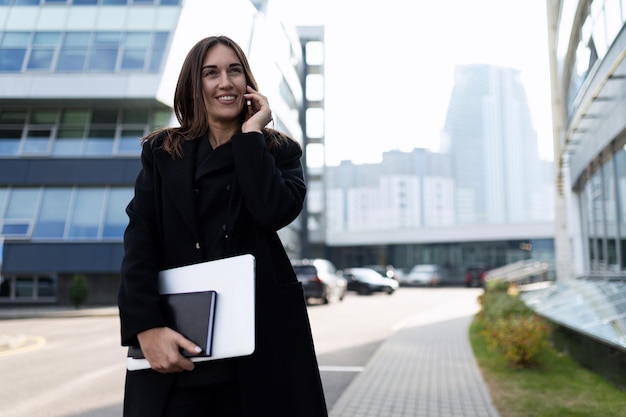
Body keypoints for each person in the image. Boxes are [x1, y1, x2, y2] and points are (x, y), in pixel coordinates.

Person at [118, 35, 328, 417]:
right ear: (194, 85)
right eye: (210, 72)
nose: (225, 82)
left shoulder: (280, 152)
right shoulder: (162, 153)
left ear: (248, 83)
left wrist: (251, 137)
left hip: (260, 347)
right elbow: (140, 240)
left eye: (235, 70)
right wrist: (145, 327)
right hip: (179, 338)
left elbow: (272, 212)